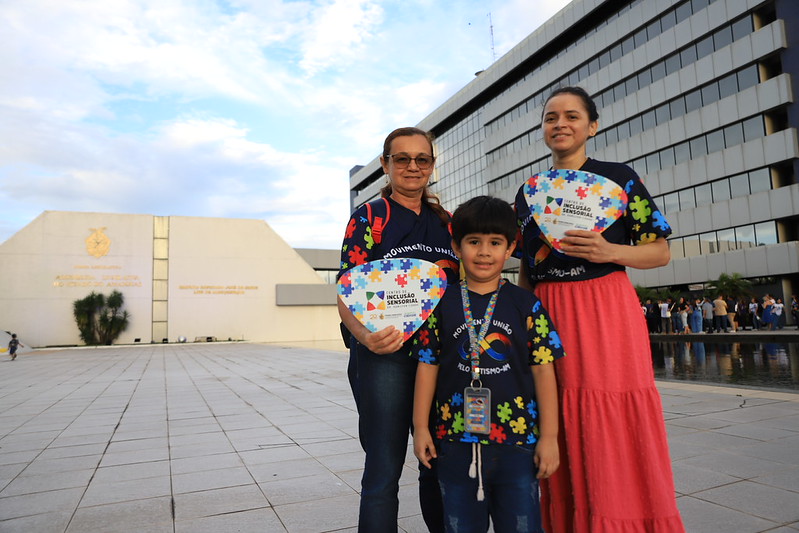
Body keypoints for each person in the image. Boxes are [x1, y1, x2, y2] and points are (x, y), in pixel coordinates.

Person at [514, 86, 685, 532]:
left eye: (572, 116)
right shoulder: (529, 192)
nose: (560, 124)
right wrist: (523, 320)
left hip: (605, 308)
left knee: (610, 413)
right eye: (551, 117)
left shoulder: (619, 178)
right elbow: (527, 271)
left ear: (592, 125)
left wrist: (609, 251)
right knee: (558, 414)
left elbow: (660, 252)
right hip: (548, 311)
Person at [411, 196, 564, 533]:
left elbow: (543, 369)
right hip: (453, 441)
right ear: (456, 246)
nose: (483, 252)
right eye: (473, 242)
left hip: (518, 441)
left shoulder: (527, 305)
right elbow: (427, 365)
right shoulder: (440, 304)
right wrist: (421, 428)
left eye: (495, 243)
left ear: (510, 248)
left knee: (522, 525)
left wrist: (549, 437)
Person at [337, 127, 458, 532]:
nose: (412, 166)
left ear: (432, 166)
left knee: (437, 464)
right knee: (384, 469)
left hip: (441, 359)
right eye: (401, 158)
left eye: (421, 159)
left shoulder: (449, 224)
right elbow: (346, 288)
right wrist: (364, 336)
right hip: (385, 356)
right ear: (386, 165)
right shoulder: (370, 219)